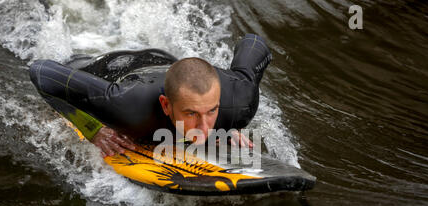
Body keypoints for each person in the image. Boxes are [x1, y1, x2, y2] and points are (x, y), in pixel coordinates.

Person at [29, 34, 272, 157]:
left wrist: (228, 126)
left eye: (212, 111)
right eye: (191, 114)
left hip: (169, 64)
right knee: (72, 67)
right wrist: (93, 130)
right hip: (114, 67)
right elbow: (42, 72)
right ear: (166, 106)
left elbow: (254, 41)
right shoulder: (128, 108)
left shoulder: (240, 102)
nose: (205, 127)